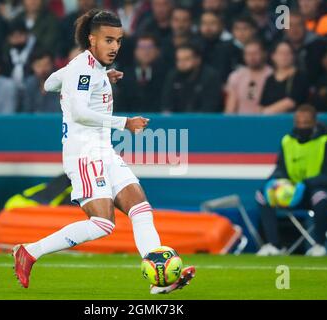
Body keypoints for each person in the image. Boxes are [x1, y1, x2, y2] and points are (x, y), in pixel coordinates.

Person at [12, 9, 195, 294]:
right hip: (84, 154)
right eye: (108, 40)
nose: (115, 47)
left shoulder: (88, 68)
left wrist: (98, 78)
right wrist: (125, 122)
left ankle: (160, 281)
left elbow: (49, 84)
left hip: (104, 151)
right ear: (92, 40)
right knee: (102, 224)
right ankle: (30, 251)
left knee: (141, 208)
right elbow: (80, 112)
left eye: (119, 41)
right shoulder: (84, 68)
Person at [256, 105, 327, 257]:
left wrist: (304, 184)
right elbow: (281, 168)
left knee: (319, 195)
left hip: (326, 192)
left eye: (306, 123)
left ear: (314, 122)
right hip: (295, 193)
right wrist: (274, 182)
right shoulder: (287, 141)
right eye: (299, 123)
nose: (302, 126)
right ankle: (275, 245)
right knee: (263, 194)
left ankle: (319, 245)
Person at [161, 43, 223, 113]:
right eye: (179, 60)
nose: (182, 63)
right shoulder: (173, 76)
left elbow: (210, 106)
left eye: (186, 59)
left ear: (198, 60)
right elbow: (166, 105)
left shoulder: (210, 77)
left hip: (203, 120)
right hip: (177, 120)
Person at [116, 34, 167, 112]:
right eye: (142, 48)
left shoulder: (165, 74)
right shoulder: (125, 74)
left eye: (149, 47)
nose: (146, 52)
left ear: (157, 51)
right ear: (135, 51)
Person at [260, 41, 309, 114]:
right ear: (273, 56)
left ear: (293, 56)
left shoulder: (299, 76)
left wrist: (266, 112)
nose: (284, 56)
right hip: (270, 121)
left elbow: (291, 102)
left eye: (287, 53)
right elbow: (262, 103)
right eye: (281, 53)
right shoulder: (269, 79)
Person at [225, 39, 273, 114]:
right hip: (241, 121)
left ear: (264, 54)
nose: (252, 57)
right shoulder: (236, 76)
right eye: (248, 54)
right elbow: (231, 107)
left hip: (266, 120)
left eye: (255, 53)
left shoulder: (272, 75)